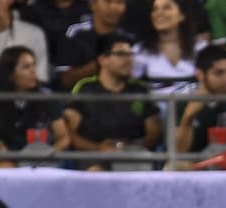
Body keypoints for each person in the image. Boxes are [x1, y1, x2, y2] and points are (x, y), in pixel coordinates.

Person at [64, 32, 162, 169]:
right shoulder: (85, 89)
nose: (129, 60)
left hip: (133, 157)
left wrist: (131, 148)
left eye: (130, 54)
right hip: (94, 156)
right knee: (96, 171)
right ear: (103, 60)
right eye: (121, 54)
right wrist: (98, 148)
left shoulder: (141, 91)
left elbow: (154, 132)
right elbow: (68, 132)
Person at [0, 44, 68, 164]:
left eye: (34, 65)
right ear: (10, 73)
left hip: (39, 158)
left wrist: (50, 153)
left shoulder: (47, 98)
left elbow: (63, 137)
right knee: (3, 167)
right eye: (26, 67)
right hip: (5, 157)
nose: (33, 71)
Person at [174, 44, 226, 165]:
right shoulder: (182, 99)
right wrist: (188, 118)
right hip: (195, 164)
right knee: (177, 165)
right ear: (200, 75)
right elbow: (178, 152)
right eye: (219, 73)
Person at [56, 0, 131, 89]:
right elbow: (65, 80)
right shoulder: (75, 33)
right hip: (82, 95)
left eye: (119, 2)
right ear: (92, 5)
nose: (114, 7)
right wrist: (103, 64)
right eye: (108, 1)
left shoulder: (127, 38)